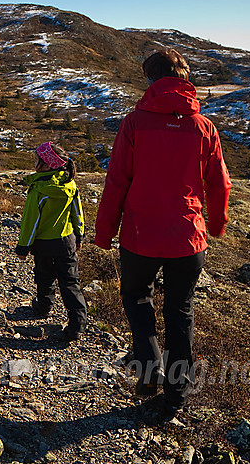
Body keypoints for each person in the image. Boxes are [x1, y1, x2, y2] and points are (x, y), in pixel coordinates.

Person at [95, 48, 231, 422]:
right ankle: (175, 397)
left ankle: (148, 365)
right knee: (180, 311)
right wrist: (215, 225)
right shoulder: (204, 127)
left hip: (140, 236)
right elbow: (219, 184)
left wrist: (105, 232)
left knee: (137, 297)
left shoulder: (135, 123)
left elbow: (117, 181)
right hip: (188, 239)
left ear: (151, 80)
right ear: (185, 79)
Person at [15, 141, 87, 341]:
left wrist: (23, 247)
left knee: (44, 276)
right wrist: (79, 235)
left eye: (37, 159)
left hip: (44, 244)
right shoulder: (70, 184)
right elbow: (77, 214)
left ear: (46, 165)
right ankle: (77, 325)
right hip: (67, 241)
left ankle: (44, 306)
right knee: (71, 283)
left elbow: (31, 222)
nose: (34, 161)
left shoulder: (38, 189)